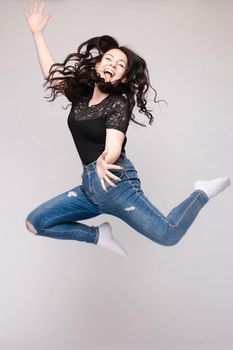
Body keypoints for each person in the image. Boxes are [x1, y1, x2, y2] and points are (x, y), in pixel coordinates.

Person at [24, 1, 231, 258]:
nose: (112, 63)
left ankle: (202, 191)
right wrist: (37, 33)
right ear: (98, 65)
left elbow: (113, 146)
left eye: (120, 64)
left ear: (121, 77)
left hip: (116, 185)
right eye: (108, 58)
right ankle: (99, 235)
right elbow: (53, 75)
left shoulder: (118, 103)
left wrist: (103, 161)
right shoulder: (80, 96)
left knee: (169, 235)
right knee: (36, 222)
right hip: (91, 188)